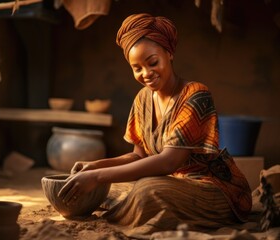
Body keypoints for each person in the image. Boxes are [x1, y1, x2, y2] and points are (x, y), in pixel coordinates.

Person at [58, 13, 252, 237]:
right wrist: (95, 166)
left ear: (169, 53)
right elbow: (137, 156)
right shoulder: (142, 99)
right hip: (169, 183)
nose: (146, 73)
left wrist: (98, 177)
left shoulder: (196, 95)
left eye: (152, 63)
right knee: (114, 188)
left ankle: (135, 210)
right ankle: (133, 207)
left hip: (211, 188)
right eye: (136, 68)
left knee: (146, 191)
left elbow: (169, 162)